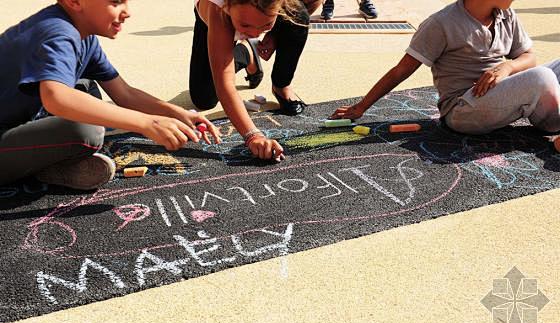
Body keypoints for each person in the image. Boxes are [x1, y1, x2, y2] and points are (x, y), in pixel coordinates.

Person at [0, 0, 221, 191]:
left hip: (16, 125)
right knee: (86, 129)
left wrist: (179, 114)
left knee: (87, 90)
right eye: (115, 2)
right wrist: (147, 123)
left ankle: (46, 166)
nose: (127, 12)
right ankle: (47, 166)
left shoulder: (83, 36)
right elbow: (56, 98)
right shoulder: (58, 33)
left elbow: (124, 93)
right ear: (74, 1)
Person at [331, 0, 560, 136]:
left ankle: (552, 116)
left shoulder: (505, 15)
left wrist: (507, 67)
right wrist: (361, 107)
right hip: (462, 110)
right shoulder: (442, 23)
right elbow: (402, 70)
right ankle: (554, 123)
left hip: (496, 96)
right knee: (542, 76)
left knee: (552, 68)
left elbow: (529, 56)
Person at [190, 0, 321, 161]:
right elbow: (225, 83)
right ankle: (247, 52)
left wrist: (274, 34)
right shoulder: (218, 10)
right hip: (215, 21)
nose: (254, 34)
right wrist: (252, 136)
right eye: (246, 26)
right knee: (204, 98)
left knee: (299, 16)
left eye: (265, 25)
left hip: (265, 10)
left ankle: (282, 84)